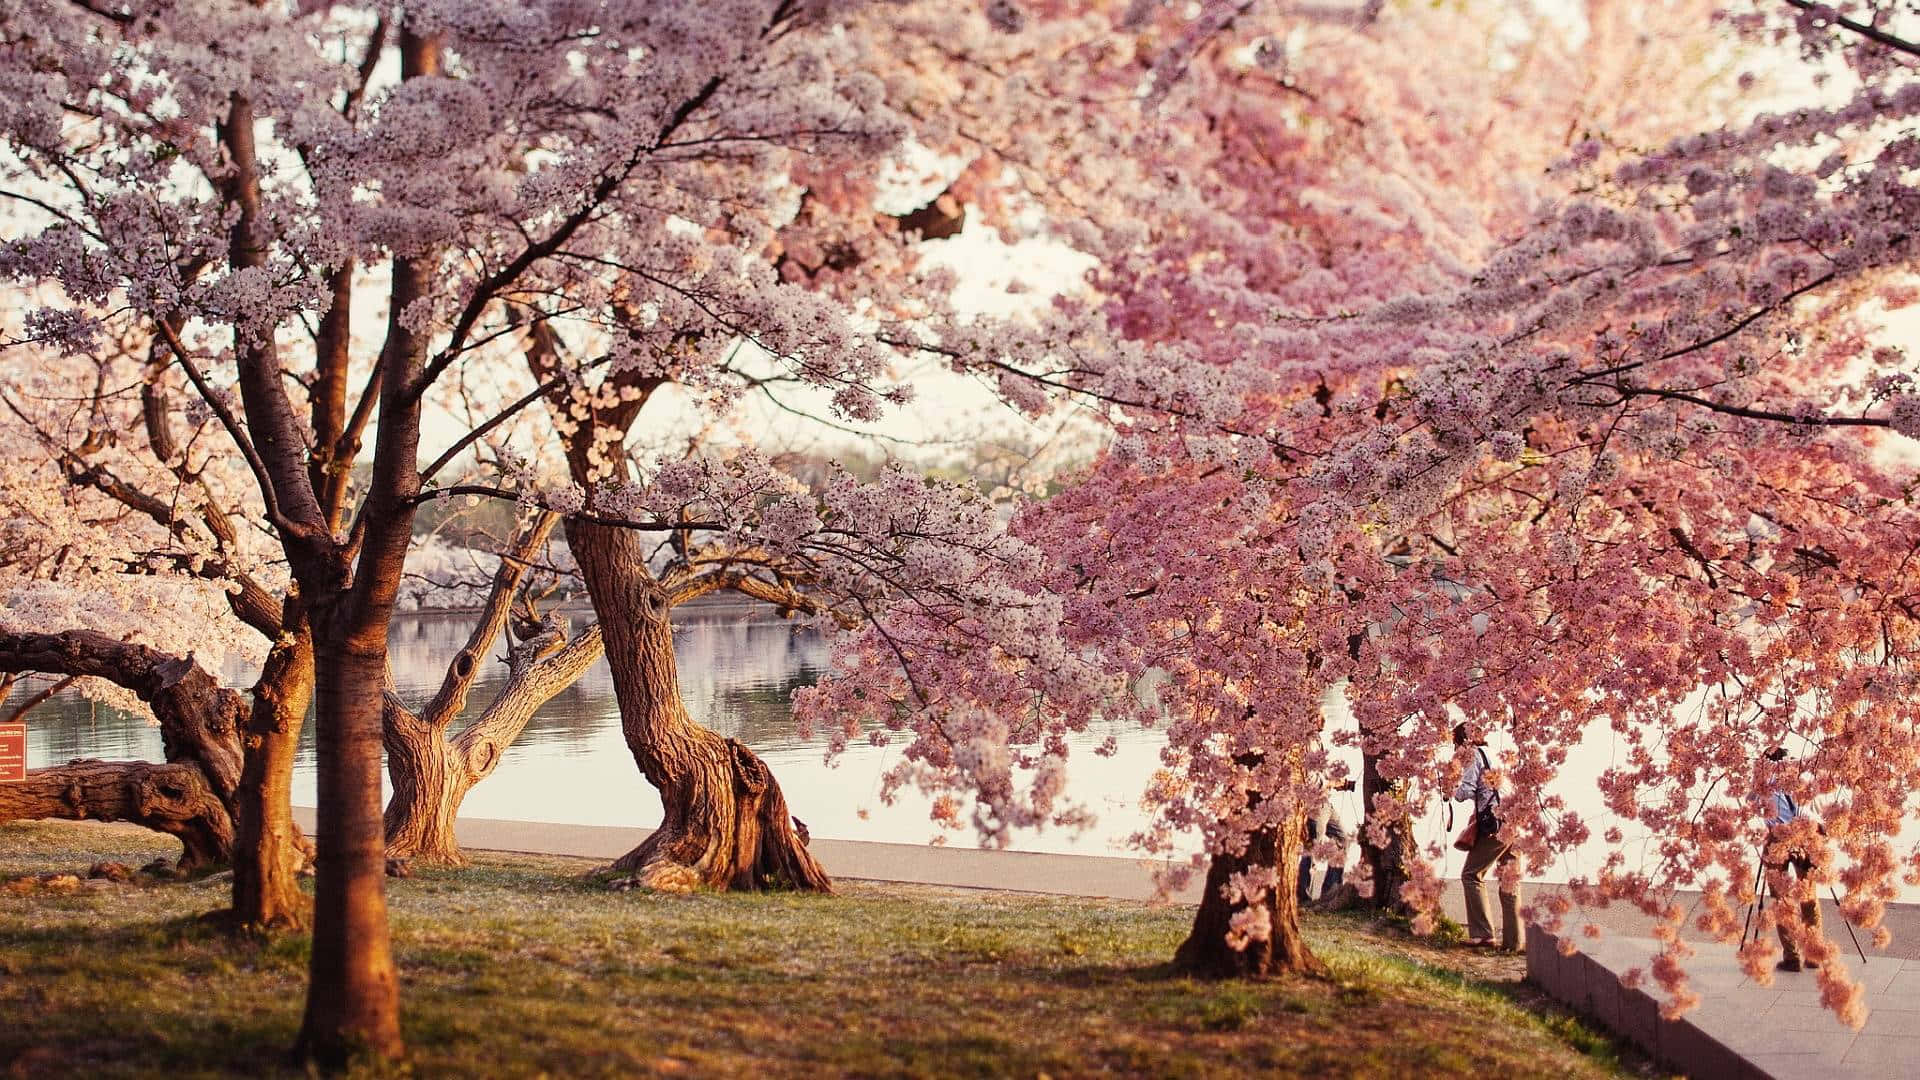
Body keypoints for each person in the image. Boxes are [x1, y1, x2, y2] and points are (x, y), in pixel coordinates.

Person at [1452, 722, 1519, 950]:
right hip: (1516, 818)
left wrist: (1450, 788)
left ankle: (1483, 935)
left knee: (1471, 874)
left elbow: (1466, 791)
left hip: (1496, 823)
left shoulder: (1474, 757)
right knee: (1510, 880)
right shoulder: (1496, 755)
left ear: (1464, 742)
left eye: (1456, 745)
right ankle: (1514, 941)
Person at [1759, 746, 1823, 973]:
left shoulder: (1762, 784)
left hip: (1777, 839)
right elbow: (1817, 809)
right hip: (1806, 838)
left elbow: (1752, 804)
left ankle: (1792, 957)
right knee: (1808, 896)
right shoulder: (1803, 778)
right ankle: (1815, 954)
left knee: (1781, 900)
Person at [1297, 780, 1354, 906]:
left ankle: (1330, 892)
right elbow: (1316, 781)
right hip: (1315, 805)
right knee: (1313, 848)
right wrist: (1336, 782)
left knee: (1342, 839)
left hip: (1326, 804)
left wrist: (1338, 784)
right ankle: (1302, 896)